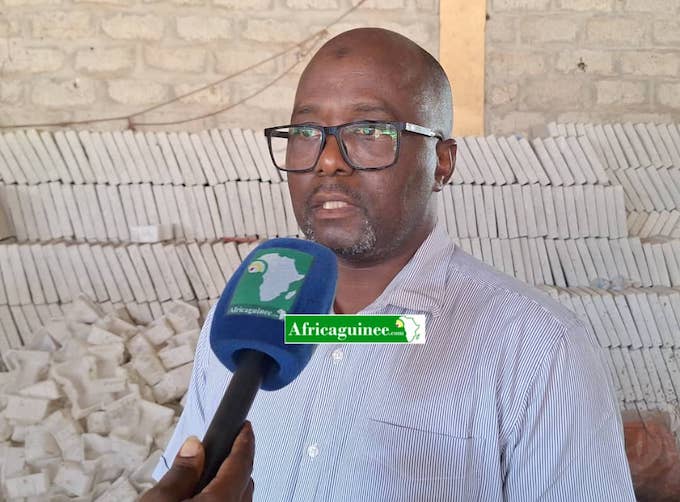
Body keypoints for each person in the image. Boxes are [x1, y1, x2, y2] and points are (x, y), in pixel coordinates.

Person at [154, 27, 636, 500]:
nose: (327, 160)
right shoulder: (245, 321)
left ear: (441, 162)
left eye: (368, 130)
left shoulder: (539, 351)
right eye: (305, 132)